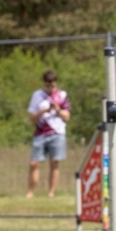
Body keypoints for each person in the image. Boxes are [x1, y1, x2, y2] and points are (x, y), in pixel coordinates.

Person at [26, 69, 71, 198]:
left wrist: (58, 110)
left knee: (54, 163)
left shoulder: (62, 95)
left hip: (57, 133)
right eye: (47, 84)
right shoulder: (37, 95)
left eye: (52, 84)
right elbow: (31, 117)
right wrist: (43, 111)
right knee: (34, 163)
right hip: (40, 133)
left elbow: (67, 117)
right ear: (44, 83)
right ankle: (30, 192)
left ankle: (51, 193)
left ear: (55, 82)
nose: (50, 87)